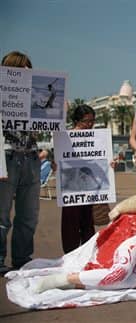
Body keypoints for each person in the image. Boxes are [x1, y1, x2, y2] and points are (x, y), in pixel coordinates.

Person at [0, 51, 40, 275]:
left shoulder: (36, 97)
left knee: (29, 214)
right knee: (2, 214)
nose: (28, 72)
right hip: (7, 156)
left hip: (31, 157)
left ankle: (22, 258)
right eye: (23, 69)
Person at [59, 105, 98, 253]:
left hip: (88, 187)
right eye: (86, 121)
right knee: (71, 224)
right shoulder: (66, 138)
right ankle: (70, 255)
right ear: (76, 121)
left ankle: (88, 255)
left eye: (92, 121)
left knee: (88, 222)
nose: (89, 125)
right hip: (71, 188)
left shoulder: (95, 139)